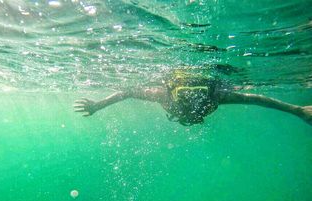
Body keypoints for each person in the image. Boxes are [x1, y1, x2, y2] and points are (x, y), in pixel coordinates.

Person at [73, 70, 312, 126]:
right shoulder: (216, 96)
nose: (191, 96)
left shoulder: (163, 97)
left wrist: (97, 105)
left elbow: (127, 92)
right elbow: (256, 98)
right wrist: (296, 110)